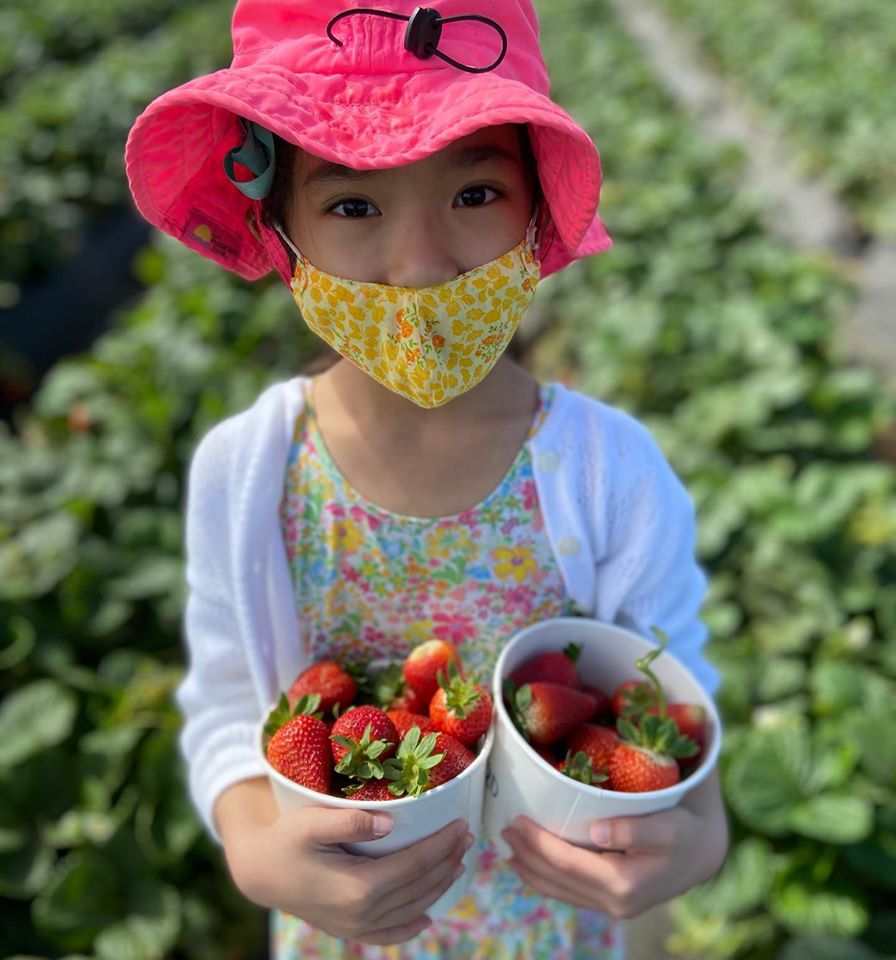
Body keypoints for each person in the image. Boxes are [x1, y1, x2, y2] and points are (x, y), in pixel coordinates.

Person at [125, 1, 729, 957]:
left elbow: (670, 698)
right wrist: (255, 853)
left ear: (538, 203)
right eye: (354, 205)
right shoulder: (249, 475)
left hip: (550, 931)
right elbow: (228, 713)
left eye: (474, 194)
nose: (420, 265)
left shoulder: (610, 474)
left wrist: (698, 835)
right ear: (279, 229)